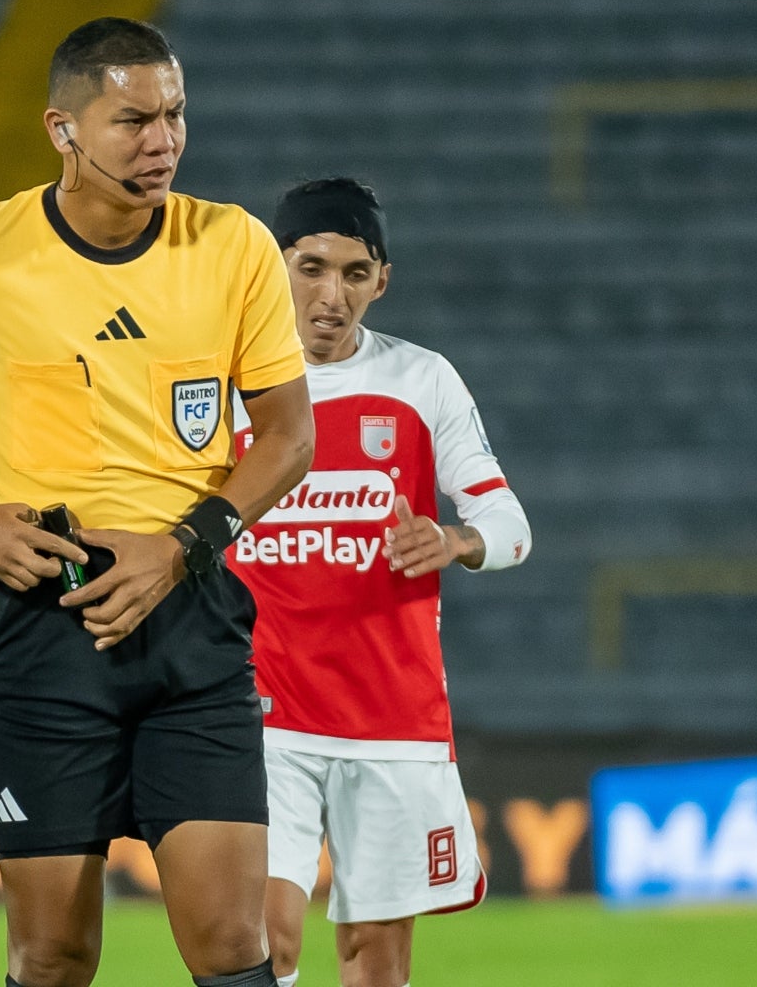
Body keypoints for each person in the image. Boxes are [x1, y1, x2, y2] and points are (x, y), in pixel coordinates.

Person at [0, 17, 315, 987]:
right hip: (43, 623)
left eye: (175, 114)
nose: (163, 141)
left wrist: (183, 546)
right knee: (53, 954)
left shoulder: (234, 246)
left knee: (234, 944)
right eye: (132, 120)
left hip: (191, 617)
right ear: (62, 130)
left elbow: (289, 434)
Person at [233, 178, 532, 987]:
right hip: (263, 709)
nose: (332, 295)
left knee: (375, 959)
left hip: (390, 715)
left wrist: (454, 539)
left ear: (382, 279)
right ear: (272, 266)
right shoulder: (222, 384)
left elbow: (511, 526)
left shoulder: (422, 379)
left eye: (355, 273)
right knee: (264, 939)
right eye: (311, 267)